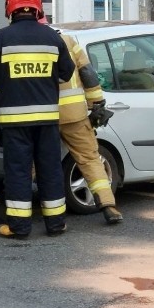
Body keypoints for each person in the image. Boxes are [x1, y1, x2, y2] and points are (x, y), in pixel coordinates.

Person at [0, 0, 75, 239]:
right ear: (38, 8)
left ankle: (19, 227)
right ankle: (56, 224)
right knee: (50, 169)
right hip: (46, 118)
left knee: (18, 171)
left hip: (14, 120)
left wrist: (11, 84)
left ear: (9, 8)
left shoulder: (0, 38)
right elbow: (67, 72)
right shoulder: (53, 37)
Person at [56, 28, 122, 224]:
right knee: (90, 159)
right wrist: (97, 104)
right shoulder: (68, 41)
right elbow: (87, 72)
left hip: (45, 115)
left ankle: (18, 206)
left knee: (34, 160)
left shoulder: (26, 45)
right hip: (75, 114)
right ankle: (109, 206)